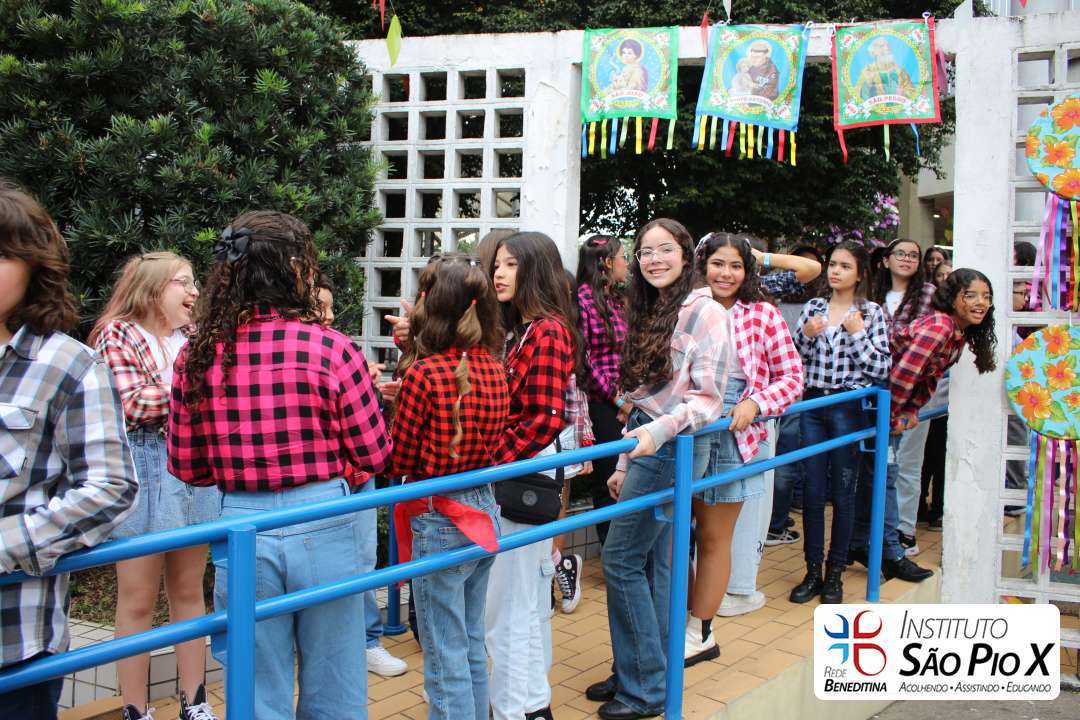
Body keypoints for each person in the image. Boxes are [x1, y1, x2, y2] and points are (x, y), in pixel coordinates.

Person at [169, 211, 391, 720]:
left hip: (240, 524)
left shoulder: (197, 356)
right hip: (324, 518)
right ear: (294, 268)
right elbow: (374, 454)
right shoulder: (331, 347)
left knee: (254, 685)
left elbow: (187, 464)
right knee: (335, 682)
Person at [0, 182, 137, 720]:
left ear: (35, 267)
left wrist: (7, 544)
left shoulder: (68, 364)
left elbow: (112, 485)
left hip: (13, 642)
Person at [587, 218, 730, 720]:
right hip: (647, 445)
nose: (653, 260)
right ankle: (643, 670)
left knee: (621, 560)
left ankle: (644, 687)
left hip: (673, 448)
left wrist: (654, 437)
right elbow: (640, 401)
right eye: (645, 251)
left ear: (686, 255)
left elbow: (708, 401)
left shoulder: (706, 311)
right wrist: (625, 459)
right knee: (654, 564)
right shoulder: (650, 308)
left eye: (665, 249)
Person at [88, 253, 220, 720]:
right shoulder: (118, 333)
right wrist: (198, 391)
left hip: (194, 469)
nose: (195, 292)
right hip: (145, 470)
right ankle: (134, 708)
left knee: (189, 590)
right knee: (137, 598)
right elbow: (132, 404)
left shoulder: (195, 337)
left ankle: (195, 701)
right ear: (151, 288)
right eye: (183, 282)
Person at [388, 254, 508, 720]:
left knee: (443, 652)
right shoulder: (495, 367)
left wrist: (394, 408)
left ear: (431, 304)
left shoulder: (424, 374)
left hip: (439, 516)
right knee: (471, 640)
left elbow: (400, 459)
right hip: (484, 510)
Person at [684, 233, 803, 664]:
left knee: (714, 537)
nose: (726, 273)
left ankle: (700, 631)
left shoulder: (762, 313)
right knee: (674, 534)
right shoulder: (687, 307)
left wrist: (756, 403)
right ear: (703, 265)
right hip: (685, 420)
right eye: (718, 263)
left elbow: (792, 377)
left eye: (736, 265)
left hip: (737, 426)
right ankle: (680, 619)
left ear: (748, 270)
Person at [486, 231, 576, 720]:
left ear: (535, 270)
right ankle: (532, 706)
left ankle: (515, 710)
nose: (498, 273)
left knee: (509, 609)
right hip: (519, 476)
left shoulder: (546, 331)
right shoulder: (521, 330)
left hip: (521, 481)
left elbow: (543, 418)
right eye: (497, 264)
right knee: (520, 606)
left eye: (510, 264)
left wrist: (488, 462)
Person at [314, 281, 407, 679]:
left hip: (357, 475)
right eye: (321, 306)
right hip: (323, 481)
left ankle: (367, 641)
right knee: (327, 566)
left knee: (364, 561)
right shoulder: (292, 352)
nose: (330, 315)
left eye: (331, 306)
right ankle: (340, 645)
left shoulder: (340, 348)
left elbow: (367, 435)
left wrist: (365, 384)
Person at [791, 241, 891, 604]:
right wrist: (807, 335)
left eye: (845, 266)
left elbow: (881, 368)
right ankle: (812, 571)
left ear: (860, 274)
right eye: (833, 264)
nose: (835, 271)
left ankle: (836, 572)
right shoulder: (813, 307)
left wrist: (857, 333)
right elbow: (793, 357)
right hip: (814, 403)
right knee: (813, 490)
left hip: (848, 406)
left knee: (845, 491)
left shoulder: (872, 312)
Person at [870, 239, 937, 558]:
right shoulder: (872, 292)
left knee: (907, 462)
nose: (907, 259)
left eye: (914, 255)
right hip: (874, 386)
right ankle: (877, 530)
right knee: (876, 462)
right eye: (901, 254)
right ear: (886, 260)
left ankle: (904, 530)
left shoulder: (929, 294)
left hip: (913, 388)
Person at [576, 235, 629, 547]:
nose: (626, 263)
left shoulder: (617, 300)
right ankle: (612, 551)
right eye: (623, 257)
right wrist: (618, 399)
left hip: (626, 401)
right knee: (608, 479)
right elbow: (583, 361)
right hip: (601, 404)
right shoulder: (581, 302)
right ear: (607, 262)